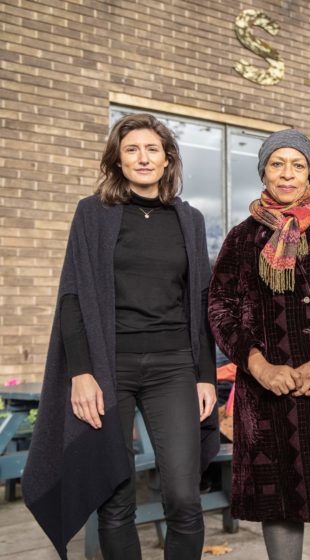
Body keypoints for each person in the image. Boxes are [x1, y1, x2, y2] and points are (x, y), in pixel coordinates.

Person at [22, 113, 218, 560]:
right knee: (116, 499)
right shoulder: (94, 214)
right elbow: (72, 295)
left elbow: (201, 302)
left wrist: (205, 375)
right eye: (132, 149)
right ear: (118, 159)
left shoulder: (189, 219)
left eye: (152, 149)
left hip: (173, 367)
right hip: (111, 367)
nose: (143, 157)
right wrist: (82, 373)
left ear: (168, 160)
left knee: (185, 497)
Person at [207, 129, 310, 560]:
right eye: (277, 163)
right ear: (263, 170)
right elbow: (220, 308)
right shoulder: (242, 238)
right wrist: (258, 365)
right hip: (268, 391)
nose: (287, 174)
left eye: (297, 165)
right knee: (277, 501)